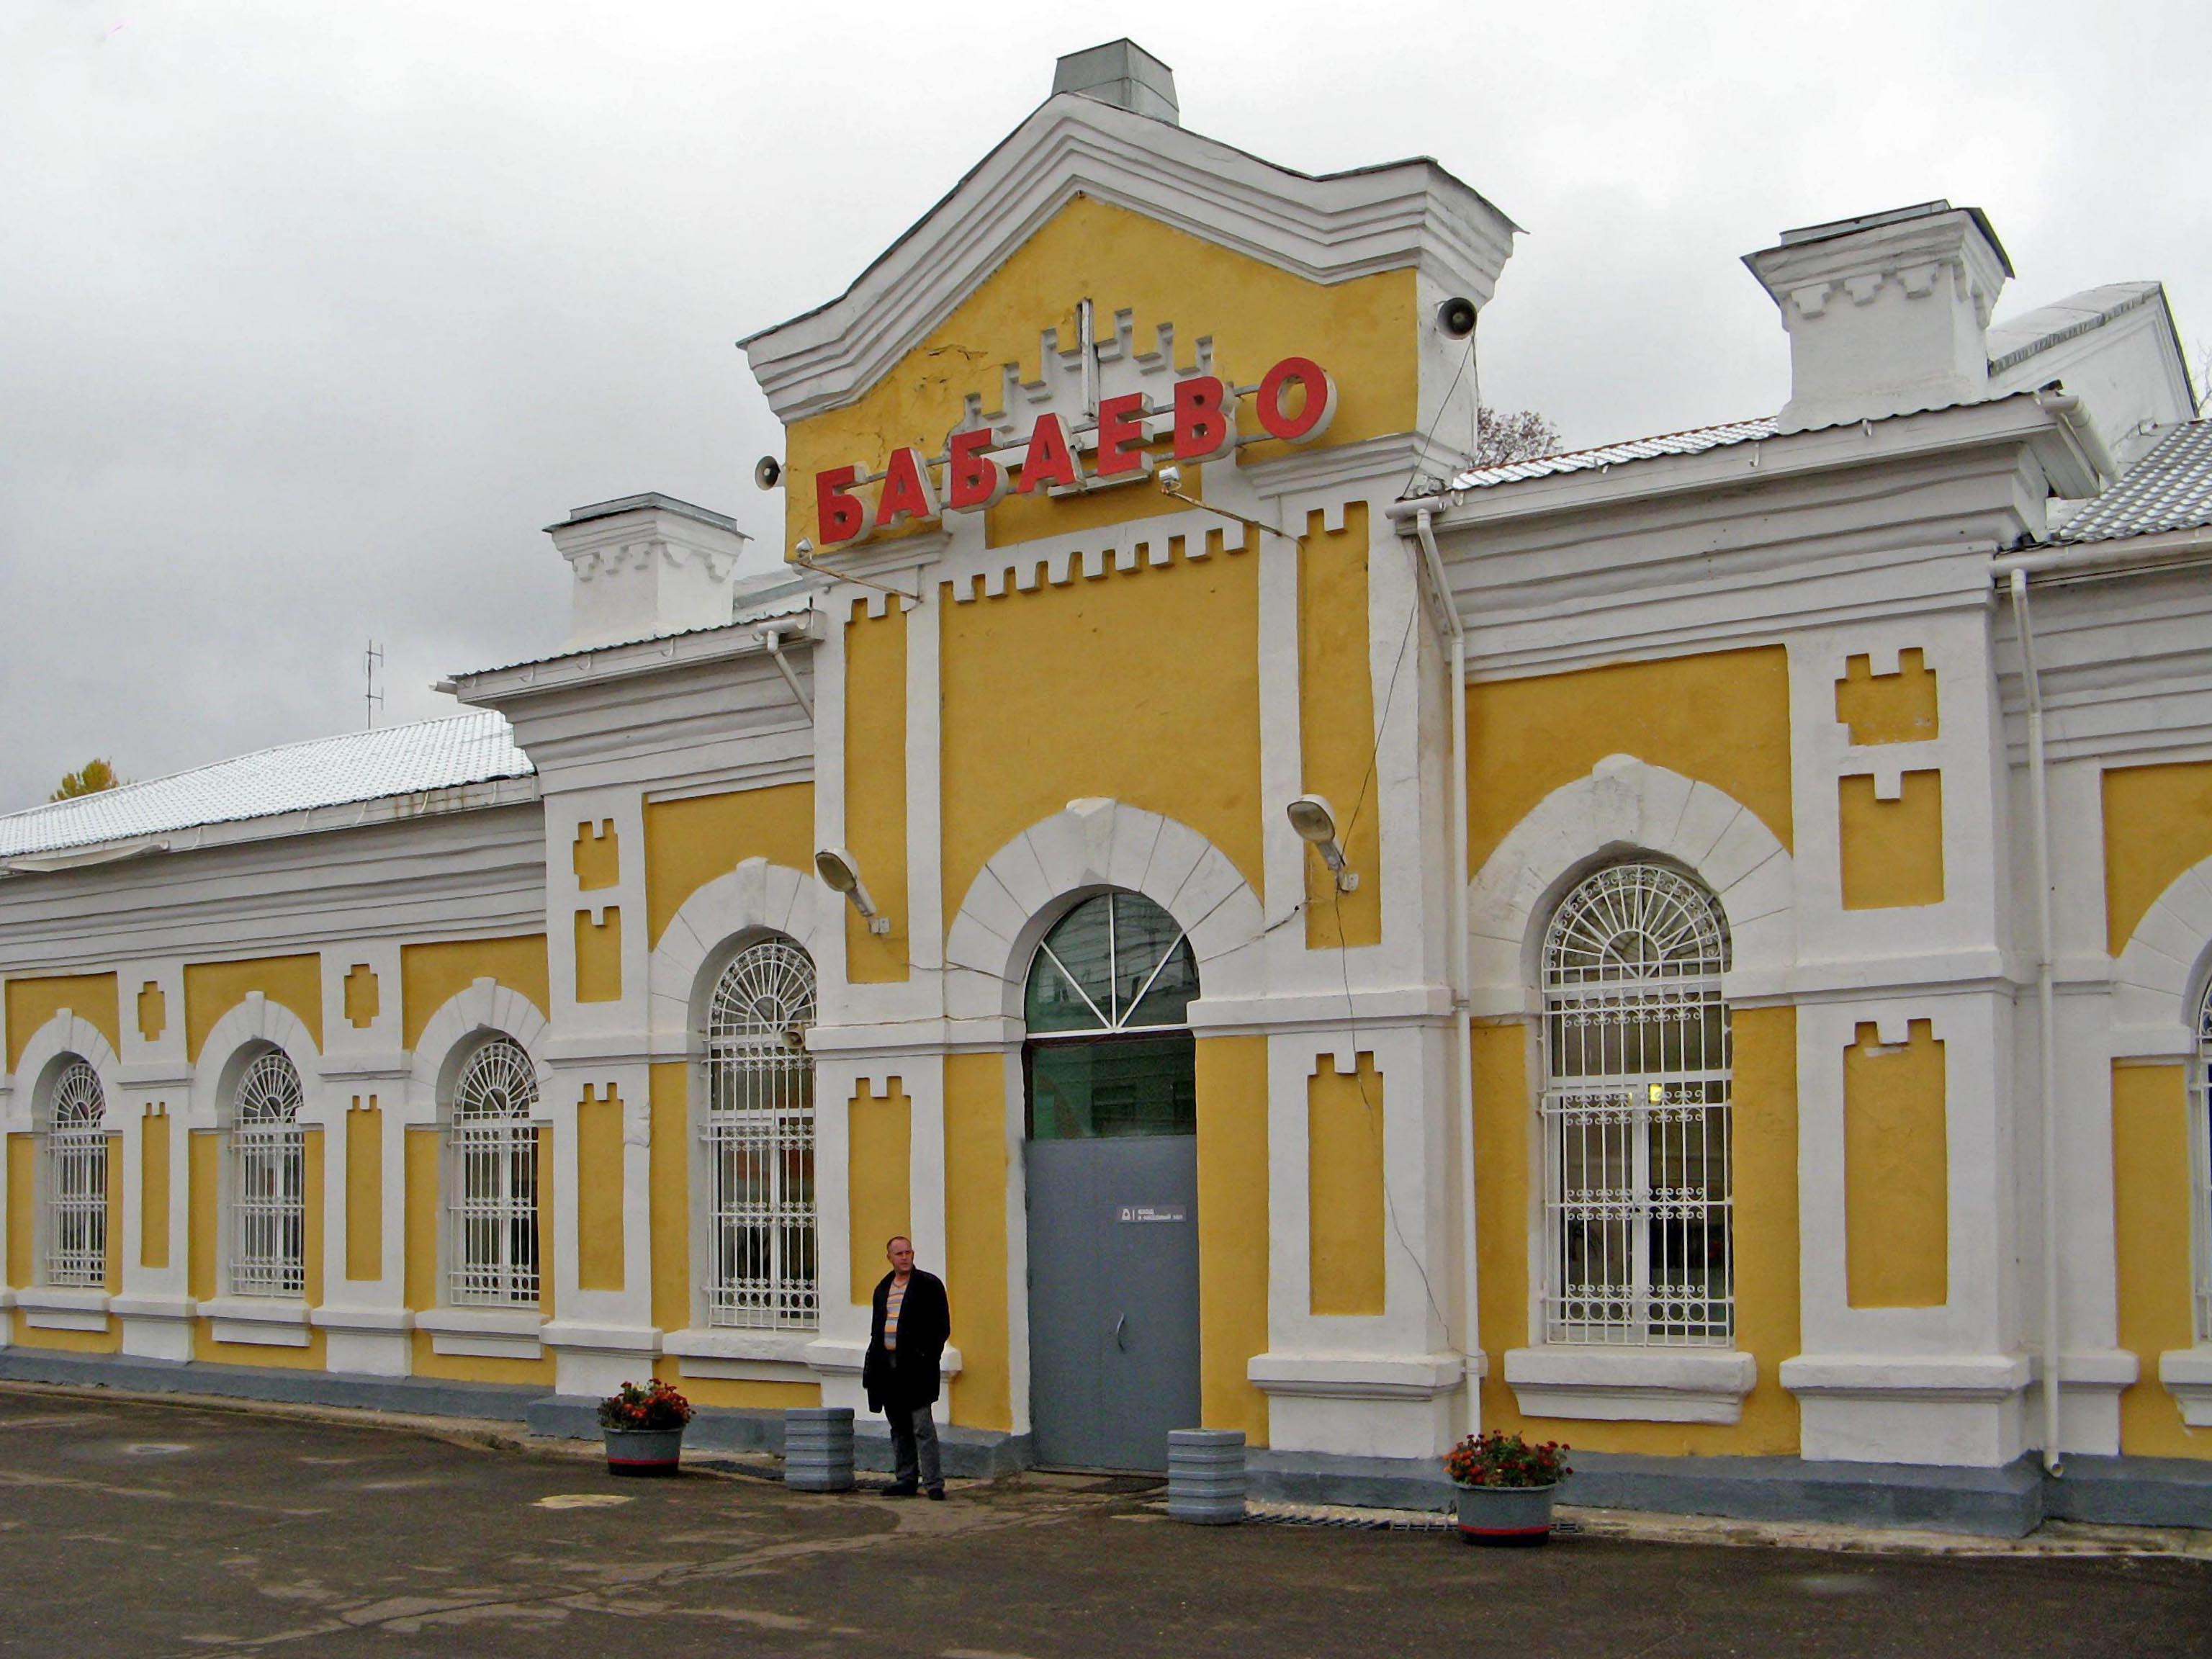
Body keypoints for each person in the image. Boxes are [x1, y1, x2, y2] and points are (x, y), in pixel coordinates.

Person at [862, 1235, 950, 1499]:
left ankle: (933, 1483)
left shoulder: (928, 1285)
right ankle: (906, 1479)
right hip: (889, 1368)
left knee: (922, 1426)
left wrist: (927, 1356)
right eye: (899, 1254)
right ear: (889, 1257)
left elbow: (941, 1327)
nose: (904, 1258)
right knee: (899, 1426)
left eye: (908, 1252)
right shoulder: (883, 1288)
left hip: (918, 1369)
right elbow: (877, 1329)